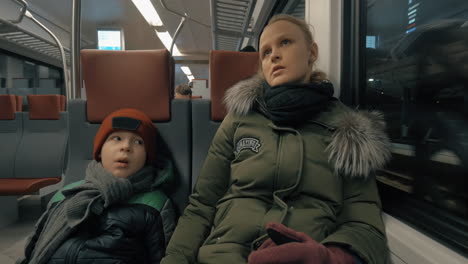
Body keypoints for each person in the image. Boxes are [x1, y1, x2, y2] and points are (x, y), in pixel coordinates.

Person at [161, 14, 390, 264]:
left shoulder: (348, 128)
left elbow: (364, 223)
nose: (274, 56)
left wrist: (329, 258)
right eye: (265, 52)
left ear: (311, 52)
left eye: (285, 43)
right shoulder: (239, 118)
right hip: (223, 255)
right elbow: (203, 204)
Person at [19, 108, 176, 264]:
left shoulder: (155, 204)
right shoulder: (67, 193)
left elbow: (164, 258)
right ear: (100, 150)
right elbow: (34, 247)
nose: (126, 147)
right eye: (116, 138)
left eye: (138, 142)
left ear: (147, 157)